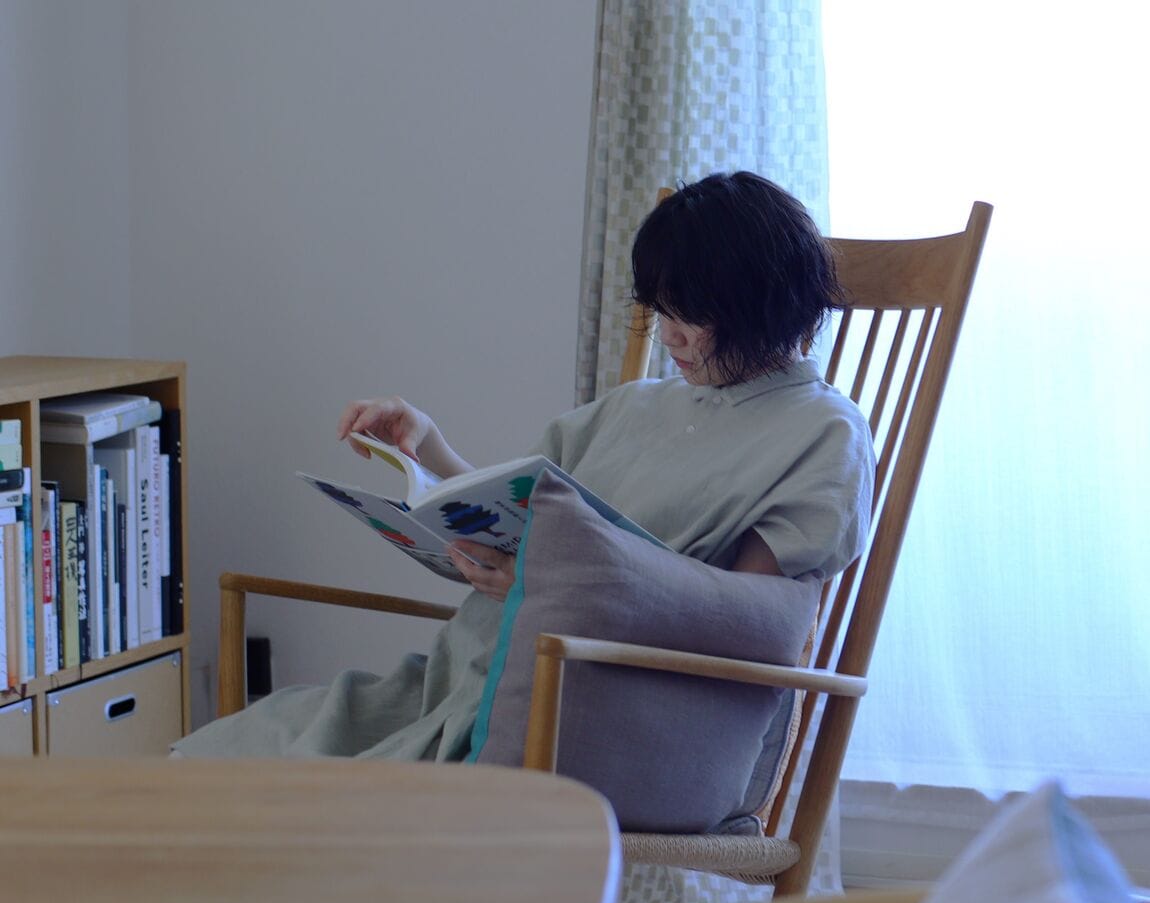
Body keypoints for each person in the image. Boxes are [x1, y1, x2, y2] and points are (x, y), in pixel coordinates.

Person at [172, 171, 875, 761]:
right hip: (464, 679)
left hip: (603, 711)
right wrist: (428, 449)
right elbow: (527, 511)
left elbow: (742, 623)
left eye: (692, 316)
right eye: (661, 312)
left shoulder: (821, 433)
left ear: (761, 304)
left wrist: (555, 586)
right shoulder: (634, 407)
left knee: (274, 805)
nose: (671, 337)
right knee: (211, 765)